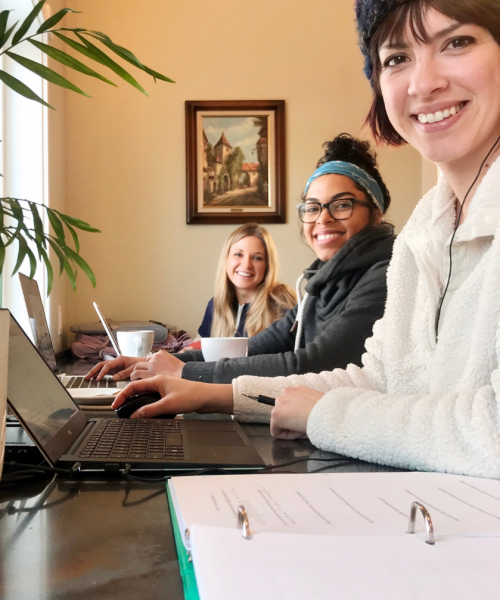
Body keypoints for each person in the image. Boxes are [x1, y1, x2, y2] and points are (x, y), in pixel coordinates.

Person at [88, 134, 395, 386]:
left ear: (376, 214)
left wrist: (183, 372)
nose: (323, 219)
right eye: (313, 207)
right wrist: (153, 362)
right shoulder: (319, 286)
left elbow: (315, 364)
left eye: (342, 205)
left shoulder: (384, 275)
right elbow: (248, 350)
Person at [189, 223, 296, 344]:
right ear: (226, 259)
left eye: (257, 258)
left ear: (267, 265)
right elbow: (200, 345)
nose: (246, 265)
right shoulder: (216, 304)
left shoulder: (283, 302)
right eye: (238, 254)